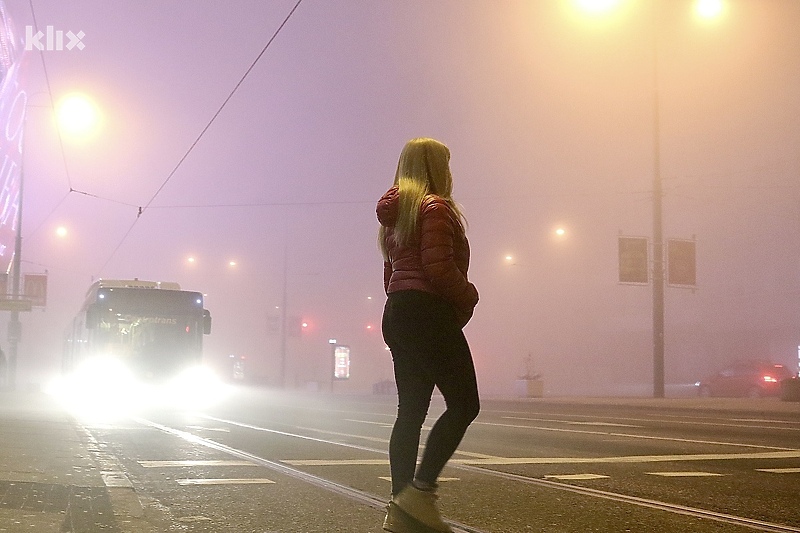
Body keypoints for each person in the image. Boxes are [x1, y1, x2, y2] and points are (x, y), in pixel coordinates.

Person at [376, 138, 480, 533]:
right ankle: (419, 494)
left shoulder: (397, 214)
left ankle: (400, 507)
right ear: (438, 168)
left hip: (399, 312)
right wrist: (469, 295)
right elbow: (438, 268)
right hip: (426, 313)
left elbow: (391, 273)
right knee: (465, 404)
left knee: (411, 413)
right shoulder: (435, 208)